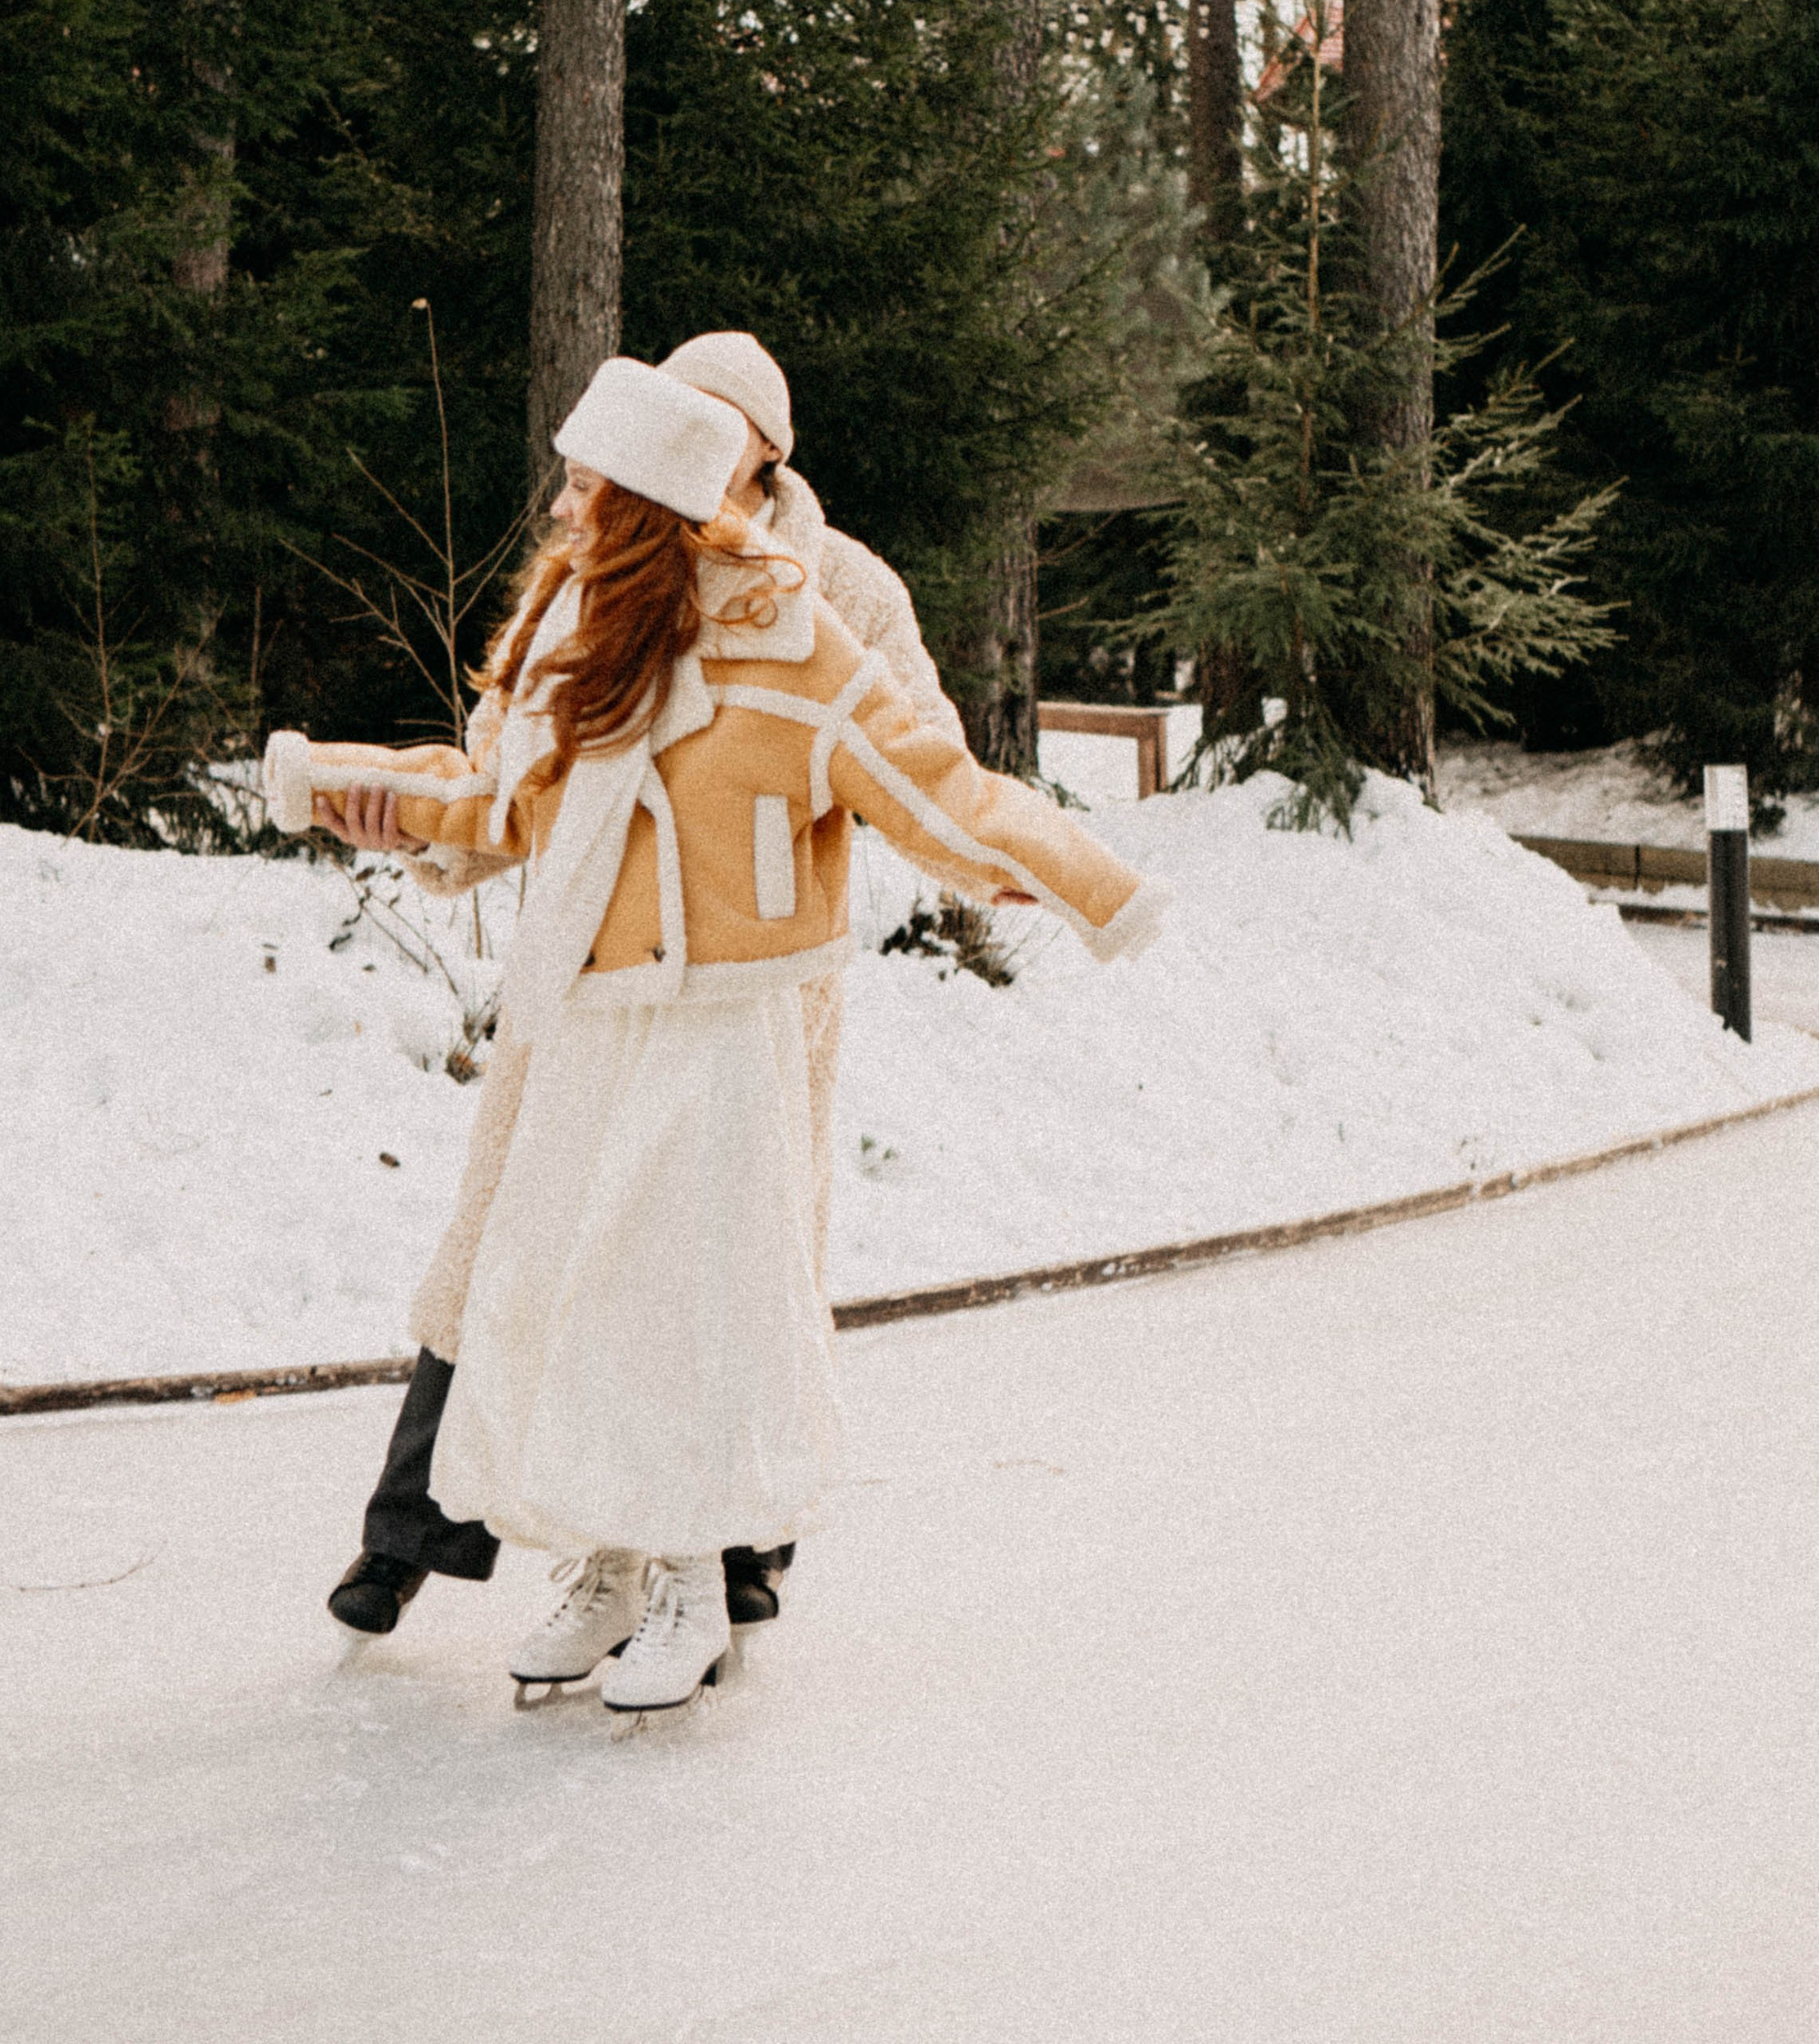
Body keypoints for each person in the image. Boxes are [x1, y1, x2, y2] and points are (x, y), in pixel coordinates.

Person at [276, 356, 1163, 1716]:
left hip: (727, 1013)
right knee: (568, 1290)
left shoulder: (804, 618)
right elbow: (499, 793)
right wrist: (355, 794)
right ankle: (609, 1562)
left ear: (671, 488)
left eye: (586, 487)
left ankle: (699, 1566)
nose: (562, 510)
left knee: (685, 1296)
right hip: (582, 1013)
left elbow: (929, 780)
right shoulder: (574, 623)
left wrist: (1083, 880)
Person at [325, 332, 967, 1644]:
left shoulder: (837, 585)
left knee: (732, 1253)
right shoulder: (596, 570)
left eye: (731, 435)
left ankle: (739, 1548)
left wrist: (802, 807)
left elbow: (923, 755)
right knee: (520, 1233)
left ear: (769, 458)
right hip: (590, 971)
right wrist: (426, 828)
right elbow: (510, 769)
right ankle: (415, 1532)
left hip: (748, 990)